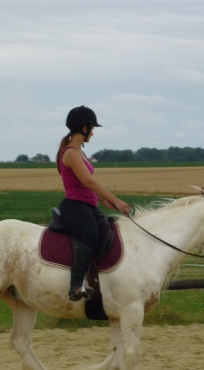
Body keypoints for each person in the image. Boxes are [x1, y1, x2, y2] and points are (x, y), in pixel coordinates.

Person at [57, 106, 131, 301]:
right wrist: (116, 199)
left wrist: (105, 199)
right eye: (92, 128)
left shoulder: (79, 152)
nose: (93, 133)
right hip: (75, 206)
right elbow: (88, 182)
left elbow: (86, 186)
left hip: (86, 205)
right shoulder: (71, 153)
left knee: (108, 229)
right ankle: (75, 286)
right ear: (83, 128)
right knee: (90, 235)